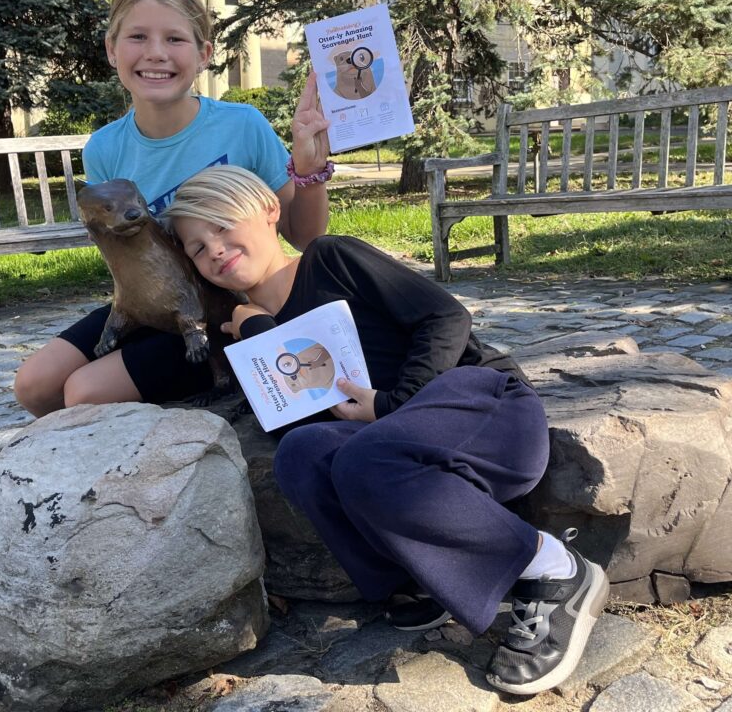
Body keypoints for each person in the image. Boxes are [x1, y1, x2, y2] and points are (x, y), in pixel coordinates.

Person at [163, 165, 609, 697]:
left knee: (365, 455)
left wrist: (393, 404)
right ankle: (415, 578)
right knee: (303, 454)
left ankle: (554, 568)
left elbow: (444, 317)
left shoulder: (329, 258)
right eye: (195, 247)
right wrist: (259, 331)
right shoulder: (250, 330)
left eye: (221, 224)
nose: (213, 247)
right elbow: (297, 423)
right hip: (400, 457)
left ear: (269, 210)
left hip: (484, 412)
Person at [14, 0, 332, 417]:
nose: (156, 54)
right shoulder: (105, 148)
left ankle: (226, 396)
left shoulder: (242, 126)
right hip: (154, 304)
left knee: (84, 393)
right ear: (111, 48)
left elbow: (306, 238)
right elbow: (124, 256)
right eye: (138, 37)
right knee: (35, 386)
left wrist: (309, 171)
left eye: (175, 40)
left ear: (204, 54)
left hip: (227, 311)